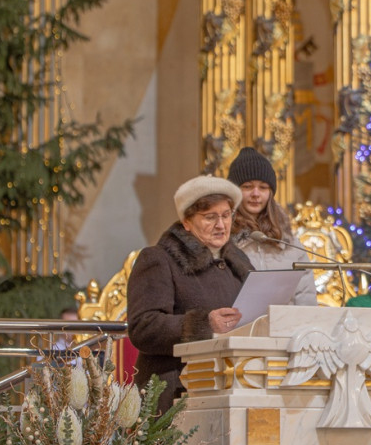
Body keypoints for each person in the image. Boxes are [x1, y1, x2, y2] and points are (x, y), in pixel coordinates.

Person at [127, 175, 254, 413]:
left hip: (233, 387)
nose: (221, 225)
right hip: (173, 394)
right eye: (210, 217)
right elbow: (142, 327)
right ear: (186, 222)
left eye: (226, 215)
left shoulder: (240, 263)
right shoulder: (159, 259)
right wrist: (204, 323)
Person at [226, 146, 318, 305]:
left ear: (270, 193)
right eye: (247, 186)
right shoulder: (222, 237)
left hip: (284, 327)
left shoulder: (289, 243)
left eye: (263, 187)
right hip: (240, 327)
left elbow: (305, 298)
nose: (256, 193)